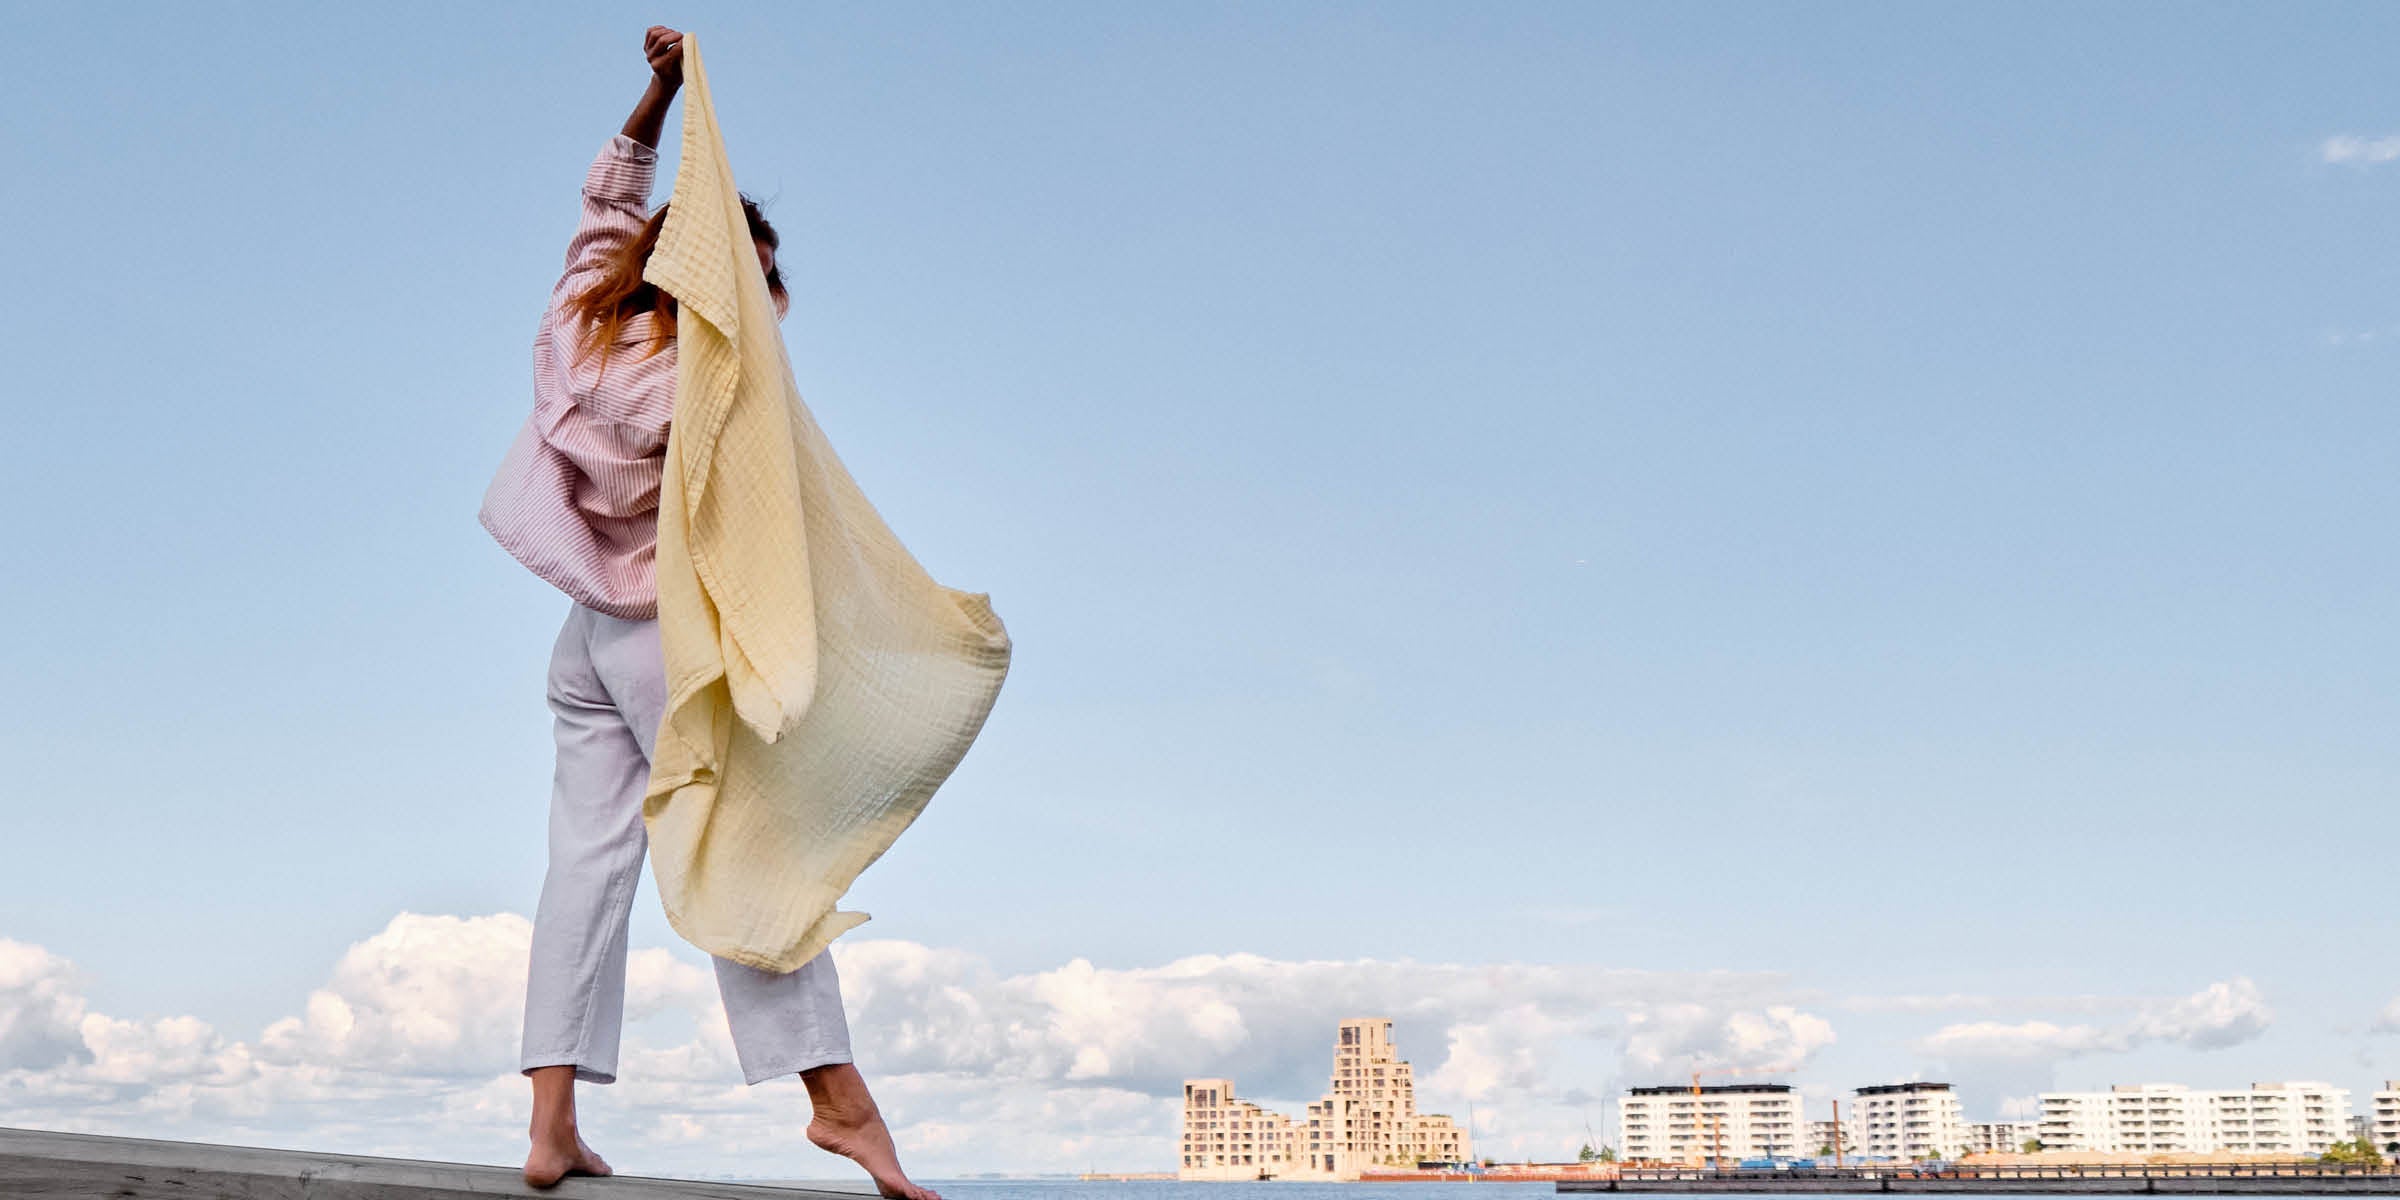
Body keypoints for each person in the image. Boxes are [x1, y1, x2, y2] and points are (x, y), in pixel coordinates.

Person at [477, 26, 939, 1200]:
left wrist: (659, 95)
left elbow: (606, 196)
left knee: (582, 872)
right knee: (752, 854)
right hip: (662, 642)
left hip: (583, 634)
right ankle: (841, 1107)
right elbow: (760, 534)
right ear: (730, 278)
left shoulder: (583, 320)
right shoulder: (710, 378)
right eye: (763, 277)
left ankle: (551, 1125)